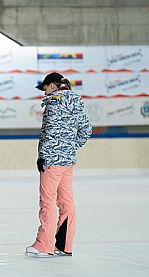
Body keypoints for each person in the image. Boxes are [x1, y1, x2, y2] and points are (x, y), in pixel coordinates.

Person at [26, 72, 92, 258]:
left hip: (52, 161)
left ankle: (44, 245)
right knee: (66, 202)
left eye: (45, 88)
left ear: (53, 86)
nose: (44, 93)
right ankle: (64, 245)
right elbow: (86, 129)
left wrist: (43, 156)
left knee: (47, 203)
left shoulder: (54, 104)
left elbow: (50, 134)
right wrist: (70, 147)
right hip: (67, 161)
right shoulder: (76, 101)